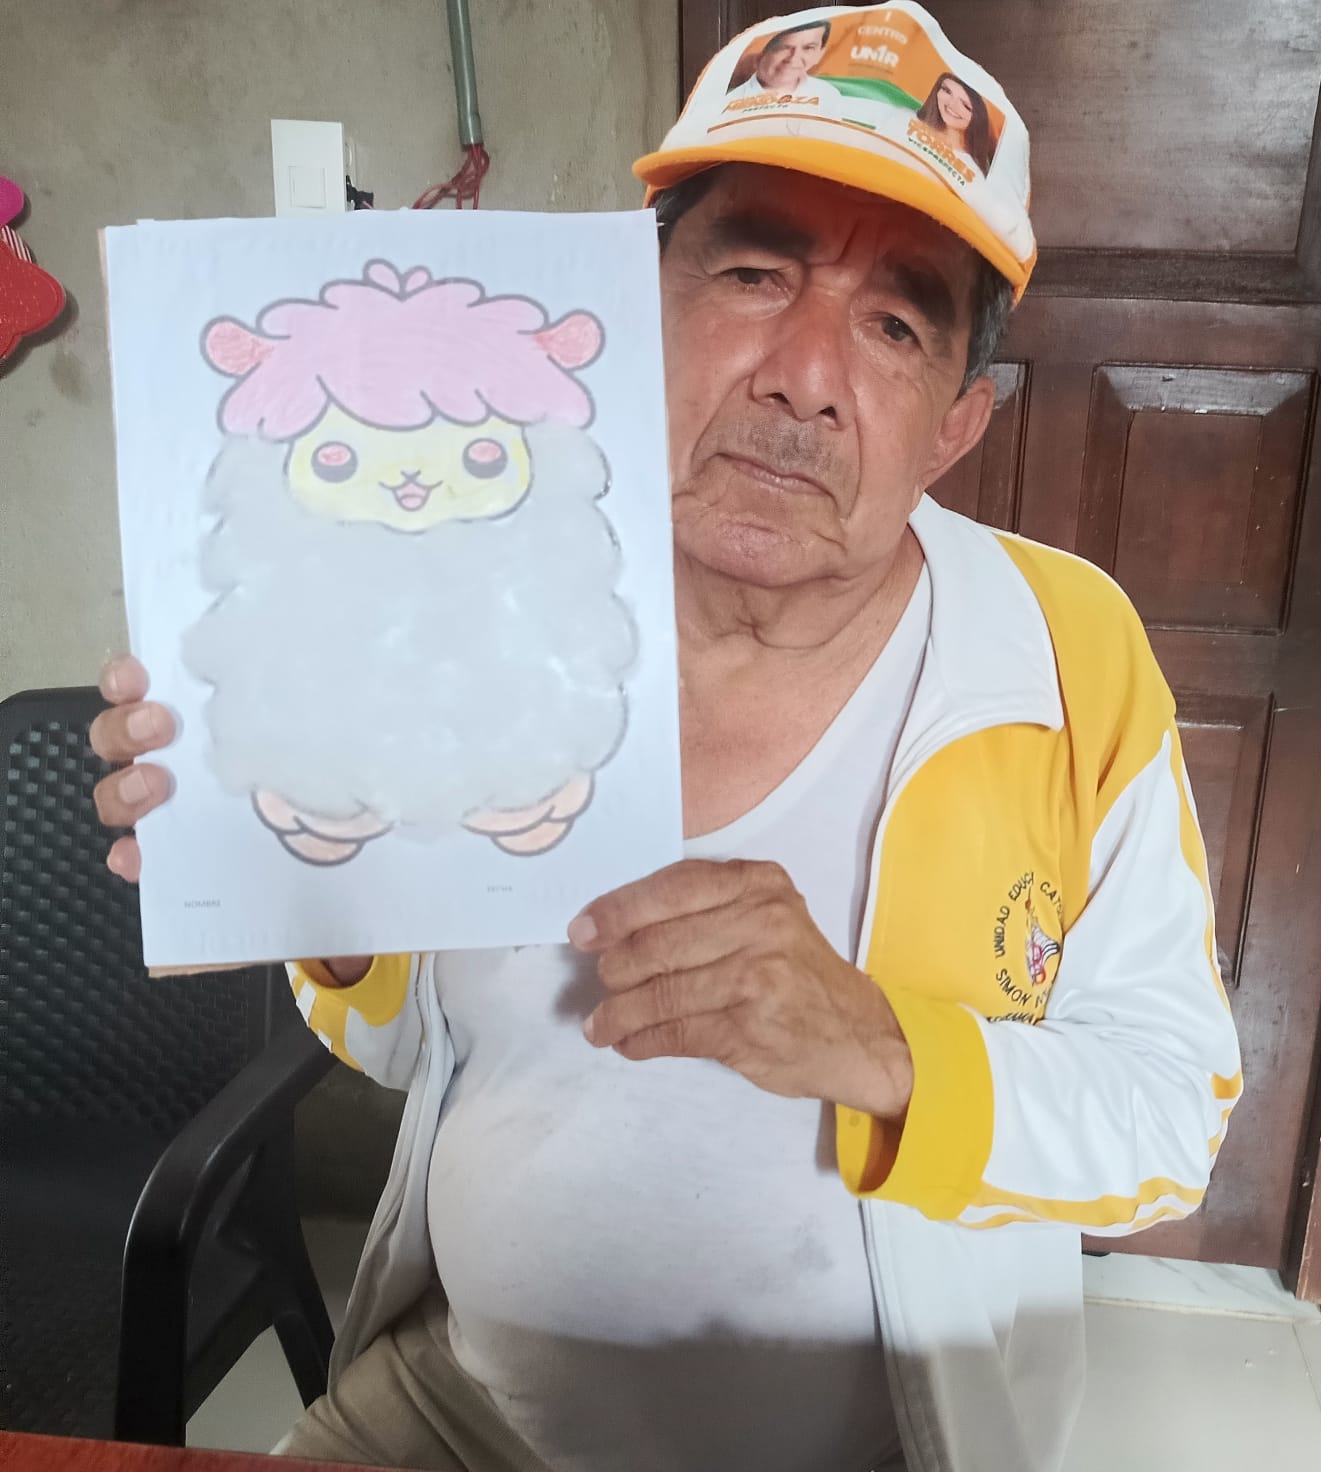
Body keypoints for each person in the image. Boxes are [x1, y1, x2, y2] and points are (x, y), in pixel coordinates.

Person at [89, 5, 1242, 1470]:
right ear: (634, 301)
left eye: (894, 324)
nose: (803, 374)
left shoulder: (1062, 653)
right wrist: (296, 872)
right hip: (460, 1407)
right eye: (755, 273)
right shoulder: (467, 584)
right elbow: (403, 1042)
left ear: (958, 422)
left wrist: (882, 1044)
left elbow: (1167, 1122)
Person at [726, 19, 844, 104]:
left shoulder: (828, 95)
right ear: (762, 52)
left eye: (808, 48)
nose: (793, 59)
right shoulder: (730, 101)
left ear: (820, 53)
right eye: (784, 47)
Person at [916, 71, 996, 173]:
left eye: (966, 106)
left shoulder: (975, 170)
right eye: (947, 91)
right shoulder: (906, 116)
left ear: (978, 117)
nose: (952, 104)